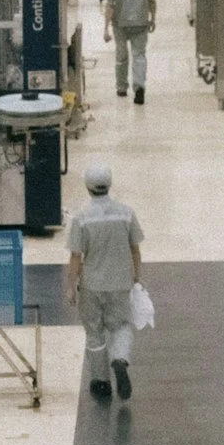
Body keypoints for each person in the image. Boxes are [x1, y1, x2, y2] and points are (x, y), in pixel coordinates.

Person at [64, 161, 143, 403]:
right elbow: (135, 249)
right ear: (110, 184)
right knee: (121, 325)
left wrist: (71, 287)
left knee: (94, 331)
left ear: (87, 186)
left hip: (92, 284)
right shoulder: (126, 213)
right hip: (121, 281)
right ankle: (120, 359)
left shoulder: (81, 218)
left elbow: (76, 256)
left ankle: (101, 382)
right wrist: (136, 276)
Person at [101, 0, 158, 106]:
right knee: (139, 55)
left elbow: (110, 5)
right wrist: (153, 18)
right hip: (141, 22)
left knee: (121, 56)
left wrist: (106, 28)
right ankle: (139, 88)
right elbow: (152, 0)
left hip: (120, 24)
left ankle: (121, 87)